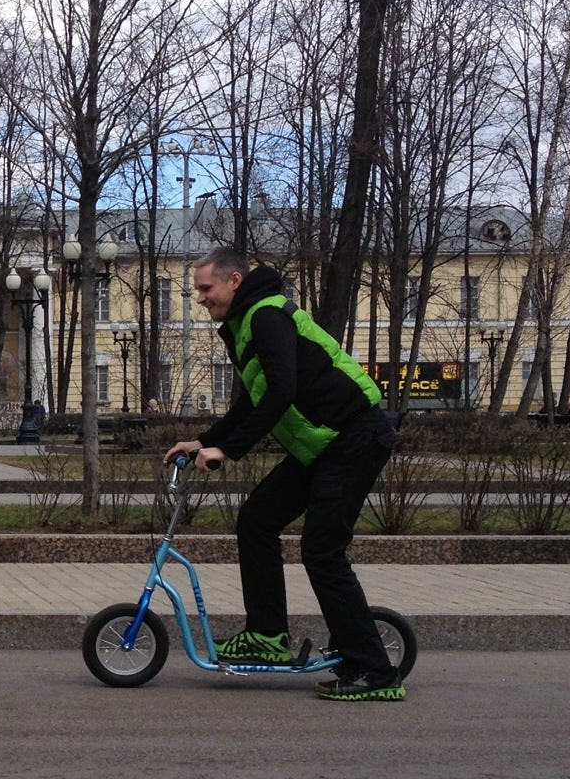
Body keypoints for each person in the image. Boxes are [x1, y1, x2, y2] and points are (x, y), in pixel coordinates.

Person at [162, 246, 404, 702]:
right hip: (326, 443)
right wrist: (205, 439)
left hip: (354, 435)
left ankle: (374, 671)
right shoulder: (244, 324)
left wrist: (228, 450)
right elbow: (253, 401)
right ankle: (268, 636)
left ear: (234, 281)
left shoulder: (267, 316)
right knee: (258, 519)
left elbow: (280, 392)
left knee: (322, 550)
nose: (200, 298)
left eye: (205, 288)